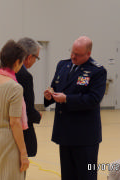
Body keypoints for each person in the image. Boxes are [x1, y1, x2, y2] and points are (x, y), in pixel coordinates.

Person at [44, 36, 107, 180]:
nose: (73, 56)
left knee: (86, 175)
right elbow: (54, 86)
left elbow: (93, 99)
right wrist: (49, 95)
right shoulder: (63, 65)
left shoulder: (97, 71)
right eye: (72, 52)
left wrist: (67, 99)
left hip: (84, 137)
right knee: (67, 175)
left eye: (77, 54)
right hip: (65, 133)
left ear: (88, 54)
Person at [0, 40, 29, 180]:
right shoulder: (15, 88)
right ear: (16, 62)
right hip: (7, 145)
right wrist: (23, 153)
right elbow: (15, 123)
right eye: (21, 62)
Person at [0, 37, 42, 157]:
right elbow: (27, 111)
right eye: (37, 58)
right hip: (16, 136)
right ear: (29, 57)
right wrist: (37, 115)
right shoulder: (24, 76)